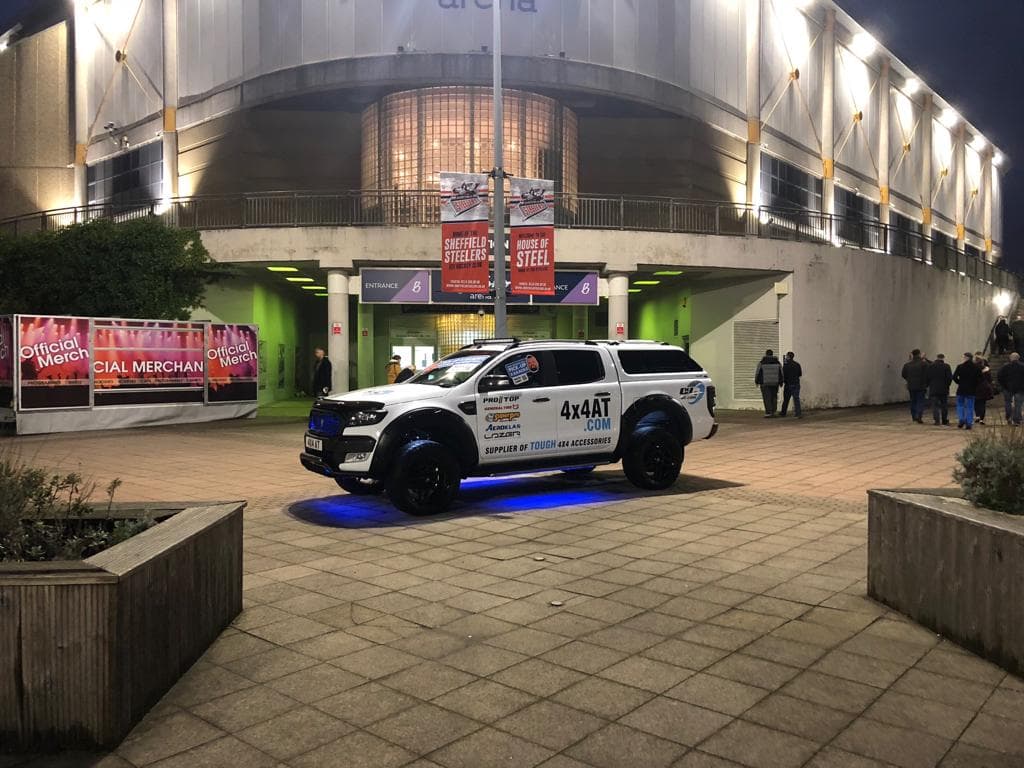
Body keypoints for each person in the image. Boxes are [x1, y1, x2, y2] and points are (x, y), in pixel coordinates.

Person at [952, 352, 981, 429]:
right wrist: (975, 385)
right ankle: (969, 422)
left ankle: (961, 419)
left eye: (964, 357)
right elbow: (980, 379)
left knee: (960, 405)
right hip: (971, 389)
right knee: (970, 406)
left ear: (966, 358)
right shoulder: (976, 367)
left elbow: (954, 377)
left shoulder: (960, 366)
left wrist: (959, 382)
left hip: (961, 389)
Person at [901, 349, 930, 424]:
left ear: (912, 354)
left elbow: (903, 374)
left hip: (911, 386)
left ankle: (914, 417)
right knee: (920, 401)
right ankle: (919, 416)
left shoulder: (907, 365)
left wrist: (909, 380)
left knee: (913, 401)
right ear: (919, 354)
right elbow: (928, 373)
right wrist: (926, 383)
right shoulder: (924, 364)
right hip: (921, 386)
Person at [997, 352, 1024, 426]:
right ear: (1018, 358)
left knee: (1007, 402)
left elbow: (999, 376)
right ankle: (1017, 420)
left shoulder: (1005, 367)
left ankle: (1008, 417)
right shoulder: (1022, 366)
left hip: (1007, 388)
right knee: (1018, 404)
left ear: (1010, 358)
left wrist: (1004, 385)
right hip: (1020, 389)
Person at [754, 349, 783, 418]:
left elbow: (757, 373)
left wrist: (756, 381)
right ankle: (773, 411)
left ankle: (768, 412)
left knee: (766, 398)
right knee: (774, 397)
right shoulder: (777, 362)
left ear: (766, 354)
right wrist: (781, 382)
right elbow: (781, 373)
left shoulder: (761, 362)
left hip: (764, 383)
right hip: (775, 383)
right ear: (772, 354)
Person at [926, 353, 953, 426]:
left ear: (937, 357)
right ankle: (944, 420)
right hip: (944, 389)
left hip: (933, 388)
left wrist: (929, 385)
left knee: (935, 406)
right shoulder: (947, 366)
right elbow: (950, 378)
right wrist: (947, 385)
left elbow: (927, 377)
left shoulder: (931, 366)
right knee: (944, 405)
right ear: (943, 358)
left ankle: (937, 420)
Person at [780, 351, 803, 418]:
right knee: (796, 399)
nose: (786, 357)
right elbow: (800, 374)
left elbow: (783, 375)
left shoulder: (786, 366)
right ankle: (798, 413)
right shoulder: (797, 364)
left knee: (786, 399)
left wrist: (783, 382)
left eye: (787, 356)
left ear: (788, 357)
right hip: (796, 384)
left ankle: (783, 413)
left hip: (788, 384)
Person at [973, 353, 993, 425]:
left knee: (976, 402)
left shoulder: (973, 369)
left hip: (975, 387)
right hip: (984, 387)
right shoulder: (986, 369)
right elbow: (990, 379)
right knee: (982, 403)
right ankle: (982, 418)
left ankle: (977, 415)